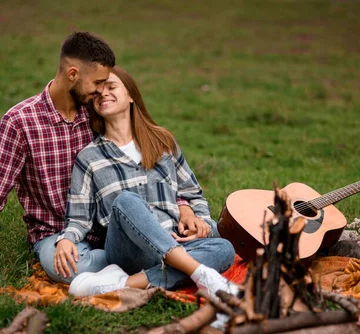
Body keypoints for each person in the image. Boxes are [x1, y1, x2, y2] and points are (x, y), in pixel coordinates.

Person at [0, 32, 206, 284]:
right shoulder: (20, 123)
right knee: (71, 269)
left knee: (209, 237)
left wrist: (182, 204)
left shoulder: (95, 116)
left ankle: (139, 264)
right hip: (56, 233)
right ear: (73, 74)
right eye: (97, 84)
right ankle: (156, 264)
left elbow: (145, 168)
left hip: (109, 231)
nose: (101, 93)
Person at [53, 66, 237, 296]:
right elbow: (78, 217)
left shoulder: (162, 142)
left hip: (176, 240)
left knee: (225, 249)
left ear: (131, 96)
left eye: (111, 87)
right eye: (97, 93)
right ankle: (202, 274)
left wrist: (199, 220)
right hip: (128, 251)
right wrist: (66, 239)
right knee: (126, 200)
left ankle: (125, 284)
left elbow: (192, 193)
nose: (104, 94)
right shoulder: (89, 157)